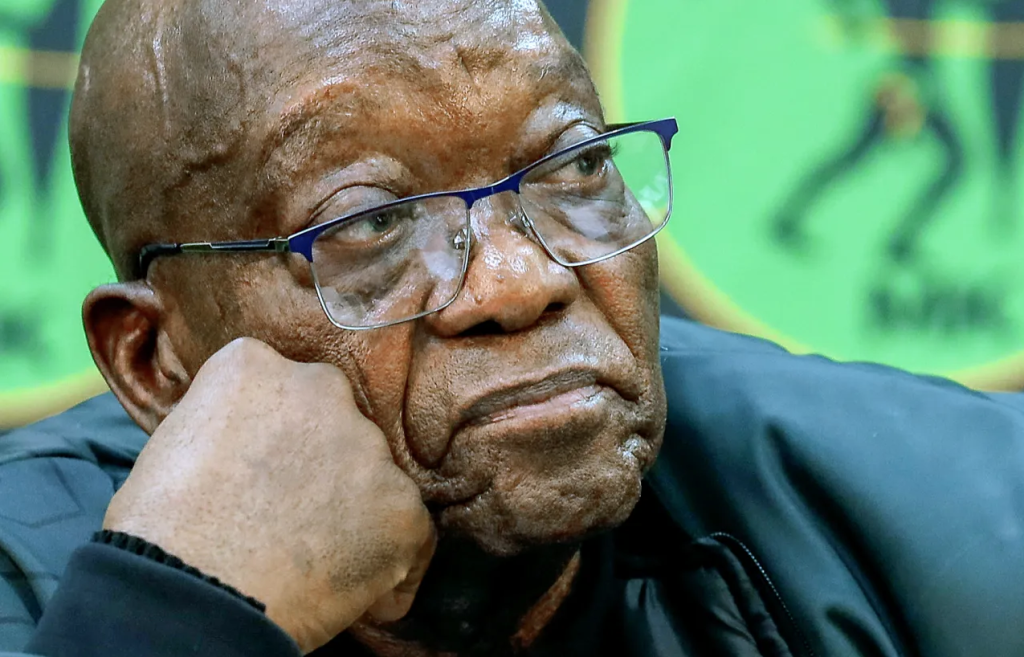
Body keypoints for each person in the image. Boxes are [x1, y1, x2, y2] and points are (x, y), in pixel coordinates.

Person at [2, 0, 1024, 655]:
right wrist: (180, 614)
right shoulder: (28, 571)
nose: (520, 281)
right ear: (157, 360)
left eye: (574, 166)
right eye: (371, 222)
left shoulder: (945, 514)